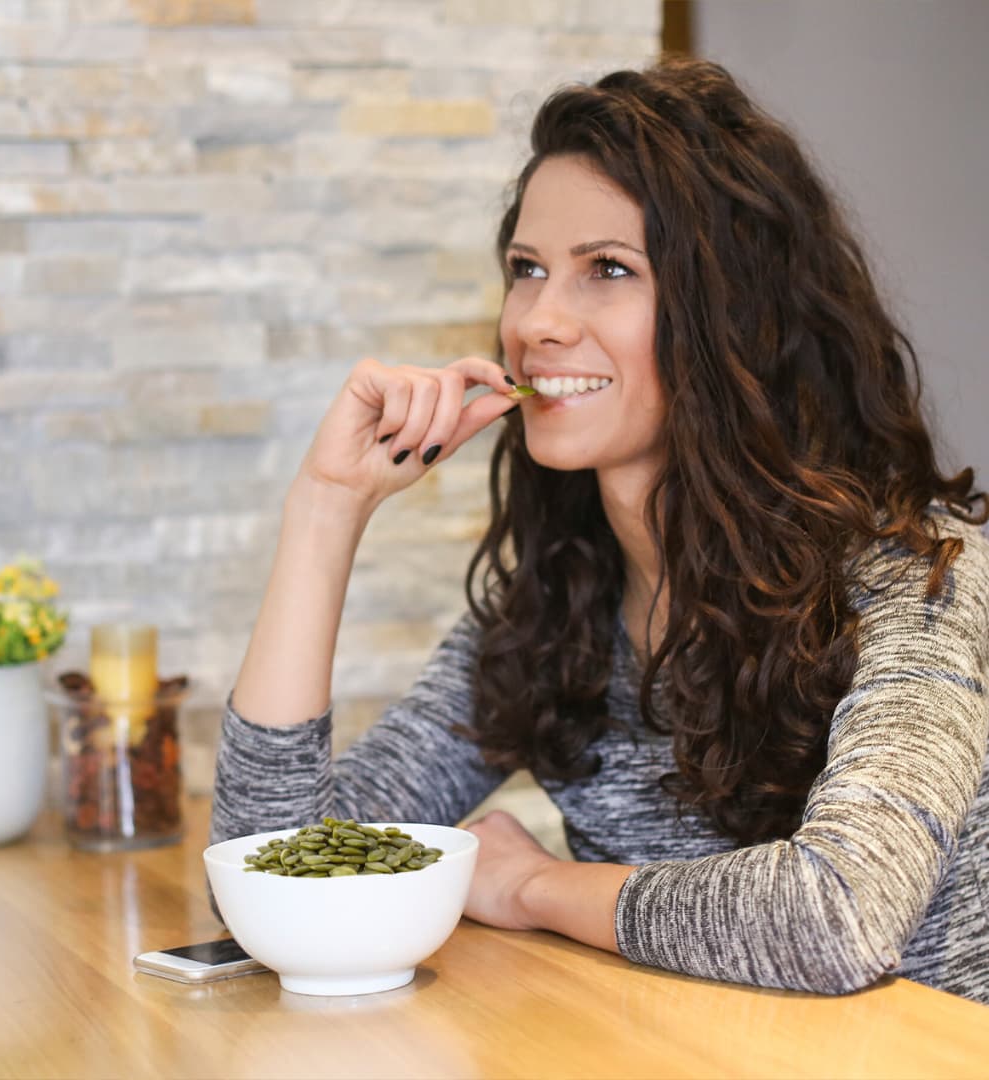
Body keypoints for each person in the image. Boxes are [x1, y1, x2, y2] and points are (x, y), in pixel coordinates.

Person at [211, 56, 989, 1003]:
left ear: (736, 313)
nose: (538, 320)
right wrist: (326, 508)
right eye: (527, 270)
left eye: (608, 270)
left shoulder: (920, 580)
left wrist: (534, 887)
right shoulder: (554, 607)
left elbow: (838, 919)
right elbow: (272, 881)